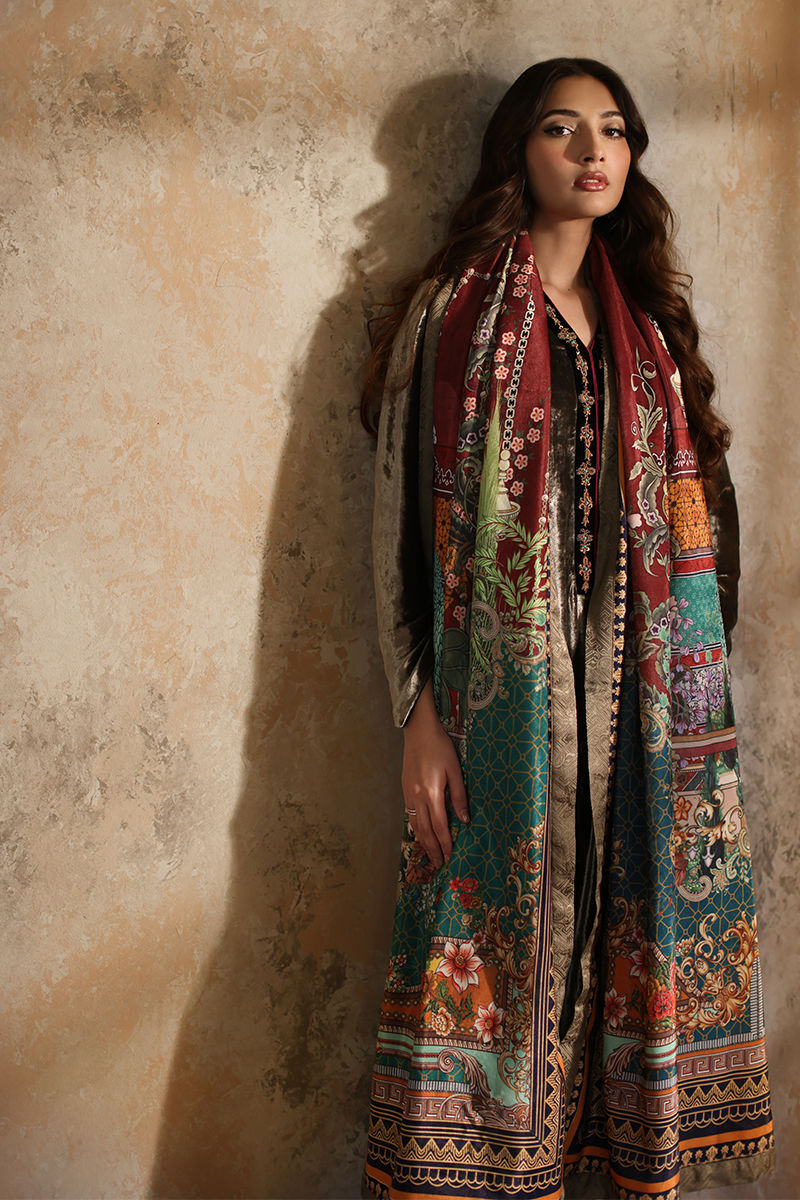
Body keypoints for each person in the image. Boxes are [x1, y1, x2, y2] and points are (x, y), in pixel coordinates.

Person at [361, 58, 773, 1200]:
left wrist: (693, 693)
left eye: (613, 131)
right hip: (500, 708)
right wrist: (417, 712)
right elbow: (397, 527)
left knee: (632, 927)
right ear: (519, 150)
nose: (593, 151)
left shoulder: (647, 327)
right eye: (561, 128)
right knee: (473, 925)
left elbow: (706, 520)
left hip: (643, 705)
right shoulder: (452, 316)